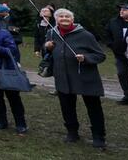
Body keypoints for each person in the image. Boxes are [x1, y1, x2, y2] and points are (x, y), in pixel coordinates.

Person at [46, 8, 107, 150]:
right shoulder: (51, 33)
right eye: (61, 16)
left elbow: (100, 55)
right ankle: (72, 132)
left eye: (67, 16)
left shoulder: (85, 35)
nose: (64, 18)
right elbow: (48, 54)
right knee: (67, 107)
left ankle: (99, 137)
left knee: (94, 108)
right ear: (56, 19)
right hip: (62, 76)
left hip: (86, 77)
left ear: (72, 19)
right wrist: (47, 47)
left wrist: (86, 58)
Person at [105, 3, 128, 105]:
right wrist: (111, 45)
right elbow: (107, 33)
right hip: (120, 55)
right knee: (122, 74)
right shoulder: (113, 22)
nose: (121, 10)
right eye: (121, 9)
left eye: (124, 9)